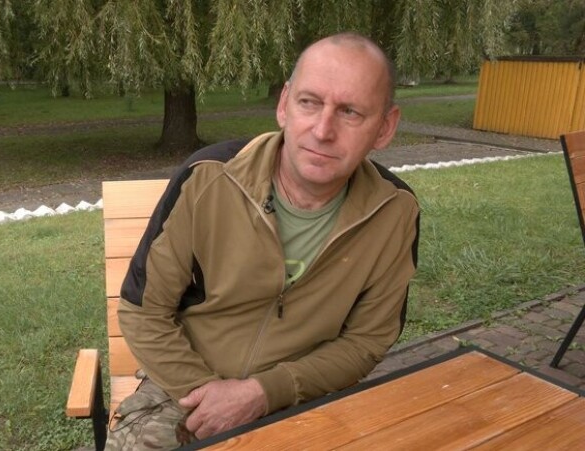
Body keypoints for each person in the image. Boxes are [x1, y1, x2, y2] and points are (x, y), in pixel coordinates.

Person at [106, 31, 420, 450]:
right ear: (284, 104)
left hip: (303, 395)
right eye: (309, 102)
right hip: (181, 388)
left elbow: (366, 341)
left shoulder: (394, 213)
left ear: (385, 127)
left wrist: (263, 393)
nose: (322, 130)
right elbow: (143, 310)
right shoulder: (207, 178)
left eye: (350, 112)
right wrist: (209, 397)